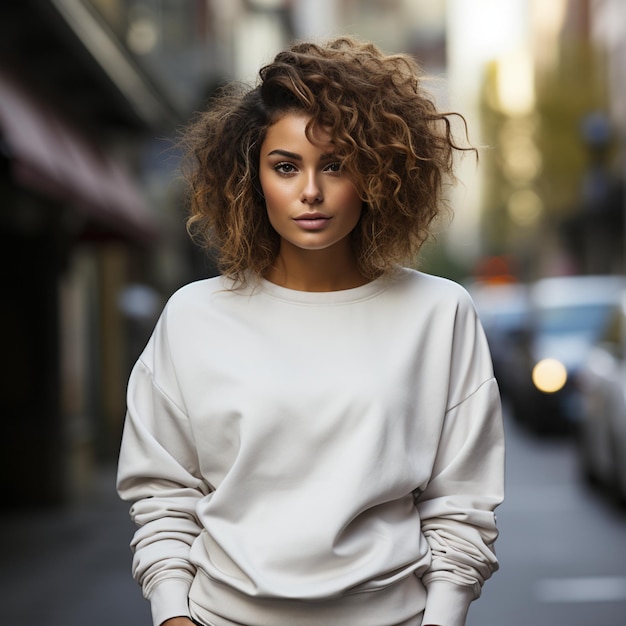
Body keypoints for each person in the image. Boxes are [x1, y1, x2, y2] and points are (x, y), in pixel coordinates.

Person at [116, 36, 505, 626]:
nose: (311, 192)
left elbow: (463, 503)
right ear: (251, 177)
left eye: (336, 164)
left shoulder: (439, 312)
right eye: (286, 166)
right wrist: (174, 616)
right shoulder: (194, 318)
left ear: (376, 174)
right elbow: (163, 496)